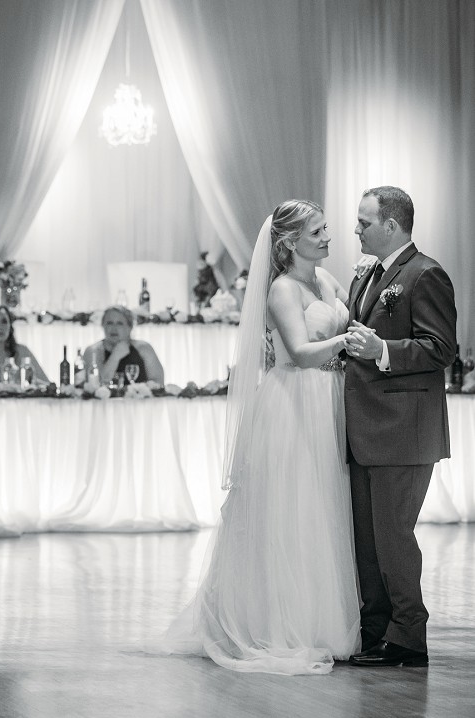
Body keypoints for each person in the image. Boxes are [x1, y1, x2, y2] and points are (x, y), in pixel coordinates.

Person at [141, 200, 361, 675]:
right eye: (318, 232)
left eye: (326, 230)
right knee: (290, 511)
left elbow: (348, 318)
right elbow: (301, 353)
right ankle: (276, 624)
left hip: (328, 401)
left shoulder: (327, 281)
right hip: (294, 404)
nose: (328, 238)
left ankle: (320, 620)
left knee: (322, 510)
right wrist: (345, 343)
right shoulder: (282, 289)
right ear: (288, 243)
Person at [344, 186, 457, 667]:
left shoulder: (425, 273)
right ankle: (375, 632)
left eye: (364, 221)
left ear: (392, 225)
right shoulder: (369, 275)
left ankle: (409, 638)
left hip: (404, 430)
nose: (356, 229)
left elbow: (440, 348)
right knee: (367, 541)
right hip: (365, 427)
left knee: (394, 537)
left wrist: (383, 352)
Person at [83, 306, 164, 386]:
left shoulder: (144, 348)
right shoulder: (93, 351)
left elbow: (158, 383)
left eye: (119, 323)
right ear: (103, 326)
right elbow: (96, 386)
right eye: (109, 323)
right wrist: (115, 356)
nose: (114, 328)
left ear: (130, 327)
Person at [0, 305, 49, 383]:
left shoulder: (22, 351)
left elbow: (46, 384)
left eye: (4, 322)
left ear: (10, 326)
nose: (0, 327)